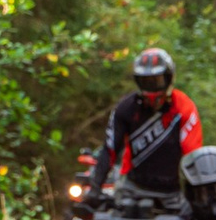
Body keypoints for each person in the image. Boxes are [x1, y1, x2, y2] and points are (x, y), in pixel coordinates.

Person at [83, 48, 202, 210]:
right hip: (133, 189)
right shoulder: (126, 108)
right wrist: (95, 189)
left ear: (169, 79)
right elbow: (110, 150)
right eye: (146, 82)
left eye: (157, 81)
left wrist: (197, 194)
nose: (152, 89)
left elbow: (193, 155)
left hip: (173, 193)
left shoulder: (183, 108)